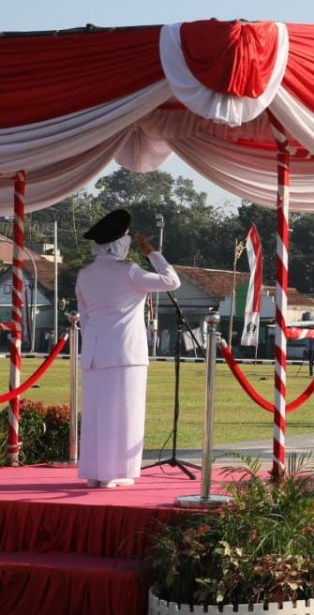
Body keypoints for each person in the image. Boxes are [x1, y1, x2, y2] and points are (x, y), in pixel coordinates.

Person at [76, 209, 181, 488]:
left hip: (95, 353)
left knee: (97, 413)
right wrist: (152, 253)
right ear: (120, 242)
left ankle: (94, 473)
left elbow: (84, 317)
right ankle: (114, 472)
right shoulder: (130, 272)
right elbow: (172, 281)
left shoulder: (85, 274)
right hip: (125, 353)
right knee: (124, 413)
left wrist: (96, 339)